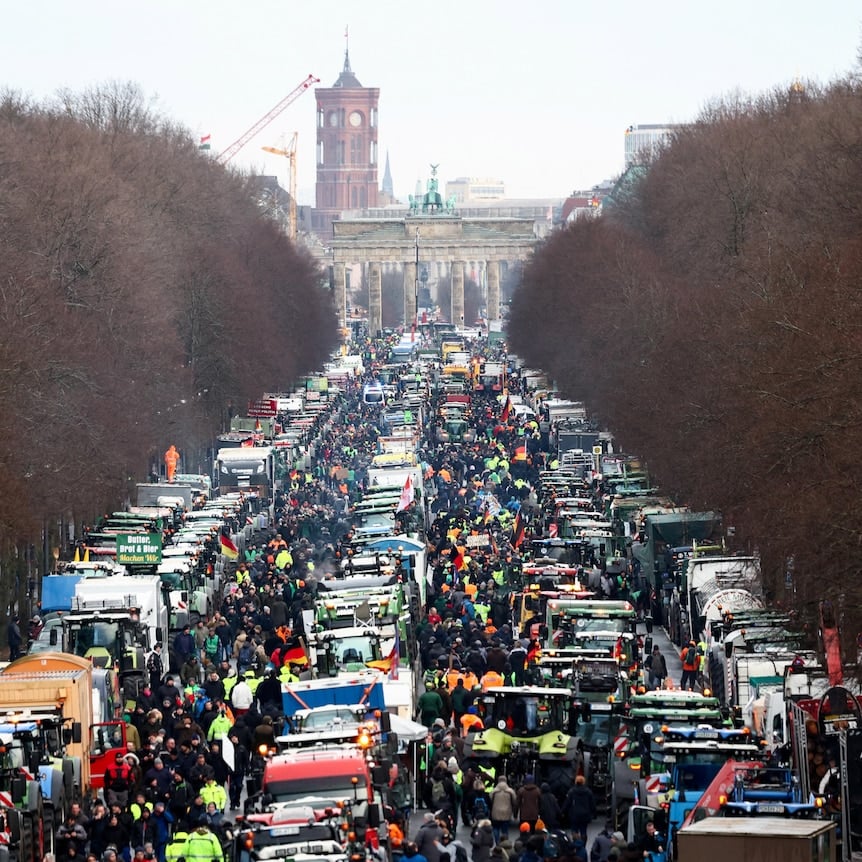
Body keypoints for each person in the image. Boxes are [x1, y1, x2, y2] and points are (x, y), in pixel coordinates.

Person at [563, 775, 595, 841]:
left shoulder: (571, 792)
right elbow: (592, 804)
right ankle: (583, 845)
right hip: (585, 815)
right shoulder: (588, 792)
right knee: (583, 831)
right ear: (583, 782)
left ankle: (576, 844)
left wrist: (562, 812)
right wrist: (594, 813)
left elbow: (567, 803)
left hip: (574, 815)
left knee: (574, 831)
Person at [489, 775, 518, 844]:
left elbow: (490, 800)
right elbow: (514, 801)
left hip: (495, 813)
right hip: (506, 813)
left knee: (496, 828)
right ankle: (505, 843)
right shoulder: (510, 791)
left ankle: (497, 842)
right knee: (505, 830)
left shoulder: (494, 791)